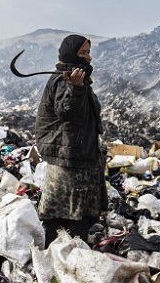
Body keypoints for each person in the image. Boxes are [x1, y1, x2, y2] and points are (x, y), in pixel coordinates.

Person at [34, 34, 106, 247]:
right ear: (69, 53)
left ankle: (62, 261)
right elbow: (66, 112)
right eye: (83, 53)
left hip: (73, 155)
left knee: (66, 213)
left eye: (88, 52)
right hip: (69, 159)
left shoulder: (75, 78)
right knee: (72, 215)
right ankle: (66, 266)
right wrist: (76, 90)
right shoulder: (65, 81)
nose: (89, 58)